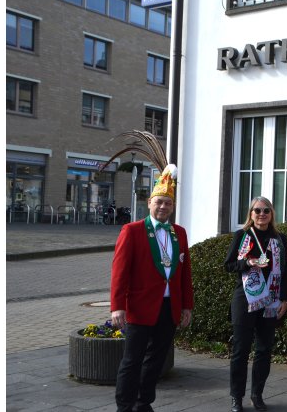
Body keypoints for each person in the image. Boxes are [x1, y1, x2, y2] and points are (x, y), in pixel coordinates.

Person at [110, 164, 194, 412]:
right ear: (149, 202)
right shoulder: (133, 231)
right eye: (159, 202)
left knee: (156, 359)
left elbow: (184, 273)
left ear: (173, 206)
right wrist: (117, 307)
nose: (163, 207)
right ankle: (124, 406)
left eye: (168, 203)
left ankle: (143, 402)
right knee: (132, 360)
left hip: (169, 307)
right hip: (140, 307)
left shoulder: (179, 233)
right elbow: (119, 272)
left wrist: (187, 305)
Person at [223, 197, 287, 412]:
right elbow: (228, 265)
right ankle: (237, 397)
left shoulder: (279, 239)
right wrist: (247, 263)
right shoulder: (242, 236)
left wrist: (286, 299)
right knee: (240, 351)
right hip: (245, 300)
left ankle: (257, 394)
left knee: (264, 350)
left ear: (271, 214)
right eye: (257, 210)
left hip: (270, 300)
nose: (261, 214)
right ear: (250, 214)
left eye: (266, 210)